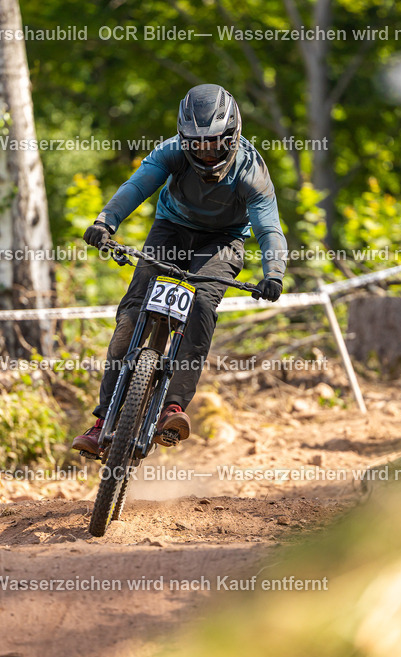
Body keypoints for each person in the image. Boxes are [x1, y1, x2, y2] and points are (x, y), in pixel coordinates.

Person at [72, 84, 287, 456]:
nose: (206, 153)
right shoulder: (170, 152)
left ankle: (173, 409)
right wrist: (106, 222)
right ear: (184, 140)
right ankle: (103, 419)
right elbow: (137, 186)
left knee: (202, 304)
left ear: (232, 137)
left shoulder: (252, 171)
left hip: (223, 241)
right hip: (171, 229)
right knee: (131, 314)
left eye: (214, 144)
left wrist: (274, 273)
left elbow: (269, 229)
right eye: (196, 145)